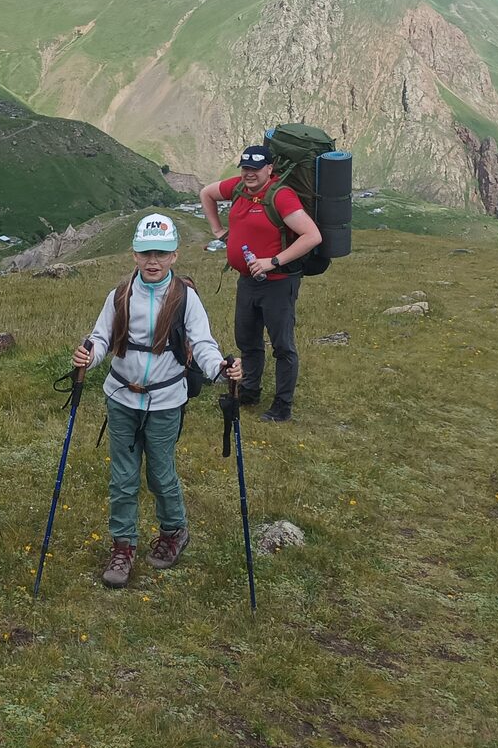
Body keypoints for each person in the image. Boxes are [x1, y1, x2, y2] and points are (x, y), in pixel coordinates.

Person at [72, 213, 241, 588]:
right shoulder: (120, 295)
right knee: (122, 477)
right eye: (146, 252)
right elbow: (101, 338)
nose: (153, 261)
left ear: (174, 256)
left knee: (161, 473)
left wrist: (221, 368)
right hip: (121, 397)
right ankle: (123, 546)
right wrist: (90, 354)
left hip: (166, 401)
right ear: (134, 254)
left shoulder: (186, 298)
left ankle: (173, 532)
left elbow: (202, 343)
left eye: (161, 254)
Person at [199, 144, 323, 423]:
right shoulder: (240, 188)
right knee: (247, 339)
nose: (249, 174)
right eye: (245, 168)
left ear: (270, 169)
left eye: (255, 169)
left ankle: (282, 406)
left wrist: (273, 261)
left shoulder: (281, 197)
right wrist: (218, 231)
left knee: (282, 345)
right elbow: (206, 193)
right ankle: (250, 390)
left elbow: (312, 236)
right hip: (247, 281)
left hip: (278, 282)